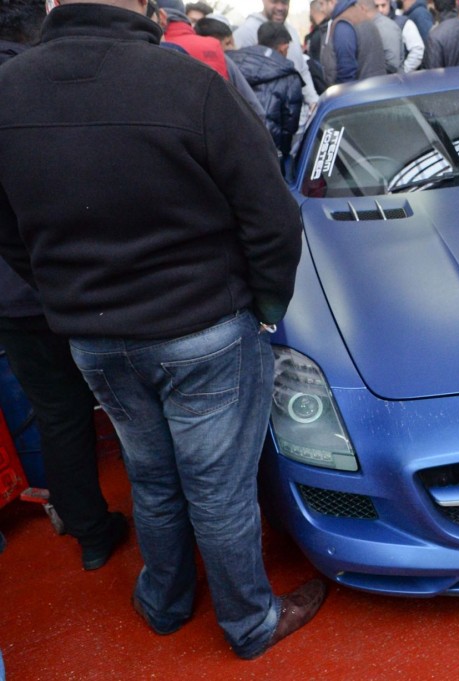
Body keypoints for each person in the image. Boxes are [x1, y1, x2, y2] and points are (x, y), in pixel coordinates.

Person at [0, 0, 326, 660]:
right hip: (202, 326)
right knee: (217, 487)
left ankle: (165, 600)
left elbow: (9, 232)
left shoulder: (10, 91)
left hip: (97, 336)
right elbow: (271, 212)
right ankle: (248, 621)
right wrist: (267, 303)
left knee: (152, 476)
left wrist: (64, 291)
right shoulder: (183, 80)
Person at [0, 0, 128, 573]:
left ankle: (92, 535)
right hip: (80, 282)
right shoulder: (41, 85)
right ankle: (171, 531)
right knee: (133, 405)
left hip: (14, 299)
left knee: (57, 414)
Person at [230, 22, 304, 166]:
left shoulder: (232, 61)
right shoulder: (289, 75)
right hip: (269, 152)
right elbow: (290, 125)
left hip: (233, 149)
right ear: (283, 47)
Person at [234, 0, 319, 112]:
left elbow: (302, 70)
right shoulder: (246, 32)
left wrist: (313, 100)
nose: (280, 8)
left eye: (284, 3)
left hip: (296, 113)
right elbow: (237, 79)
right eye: (274, 2)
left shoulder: (291, 31)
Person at [323, 0, 387, 83]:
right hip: (375, 85)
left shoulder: (344, 23)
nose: (322, 9)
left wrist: (342, 90)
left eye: (323, 3)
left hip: (359, 89)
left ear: (332, 2)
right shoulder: (360, 15)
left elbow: (346, 71)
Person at [375, 0, 425, 71]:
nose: (380, 10)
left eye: (383, 5)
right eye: (376, 6)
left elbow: (418, 50)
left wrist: (404, 71)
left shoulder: (404, 23)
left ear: (389, 4)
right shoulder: (369, 24)